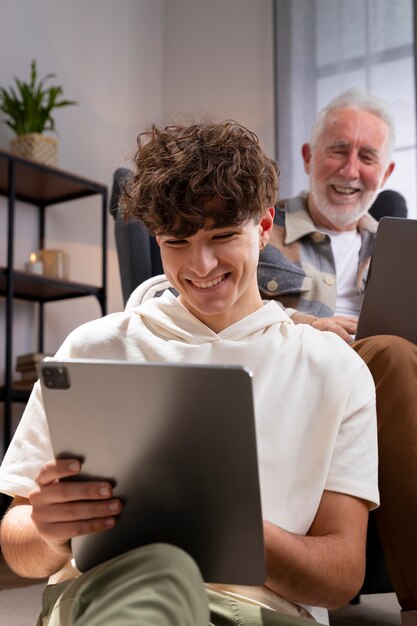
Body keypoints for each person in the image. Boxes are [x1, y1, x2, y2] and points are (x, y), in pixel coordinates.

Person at [0, 121, 379, 626]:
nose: (200, 265)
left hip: (257, 612)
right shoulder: (94, 349)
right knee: (154, 576)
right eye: (177, 242)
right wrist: (47, 532)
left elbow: (342, 576)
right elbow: (18, 544)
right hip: (107, 598)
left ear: (264, 228)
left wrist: (239, 533)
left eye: (222, 236)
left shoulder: (334, 369)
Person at [258, 89, 417, 625]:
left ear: (387, 170)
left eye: (367, 157)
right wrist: (305, 324)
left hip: (391, 398)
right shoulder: (260, 226)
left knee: (398, 356)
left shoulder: (403, 246)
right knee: (393, 355)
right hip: (304, 387)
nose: (350, 169)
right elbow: (211, 305)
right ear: (307, 156)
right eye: (337, 150)